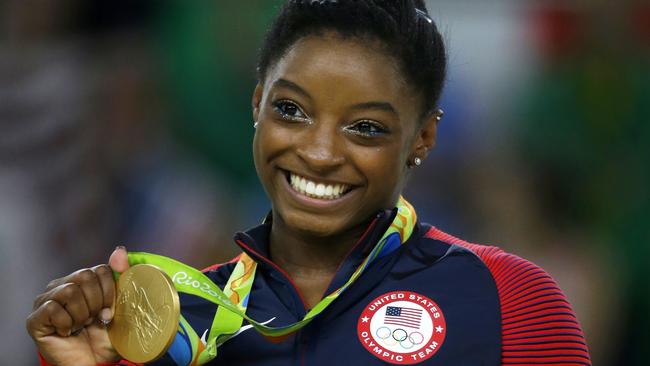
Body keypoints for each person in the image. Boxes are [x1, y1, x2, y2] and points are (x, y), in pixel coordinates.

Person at [26, 1, 592, 365]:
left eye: (365, 128)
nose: (319, 153)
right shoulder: (169, 324)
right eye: (292, 111)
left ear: (422, 139)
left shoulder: (510, 301)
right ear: (257, 106)